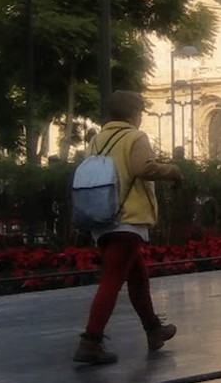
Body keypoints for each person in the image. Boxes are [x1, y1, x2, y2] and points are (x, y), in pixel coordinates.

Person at [75, 90, 184, 365]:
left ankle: (153, 329)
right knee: (112, 280)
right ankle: (91, 340)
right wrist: (172, 171)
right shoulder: (135, 137)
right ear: (135, 113)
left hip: (103, 217)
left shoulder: (97, 140)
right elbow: (143, 168)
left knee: (137, 278)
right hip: (127, 219)